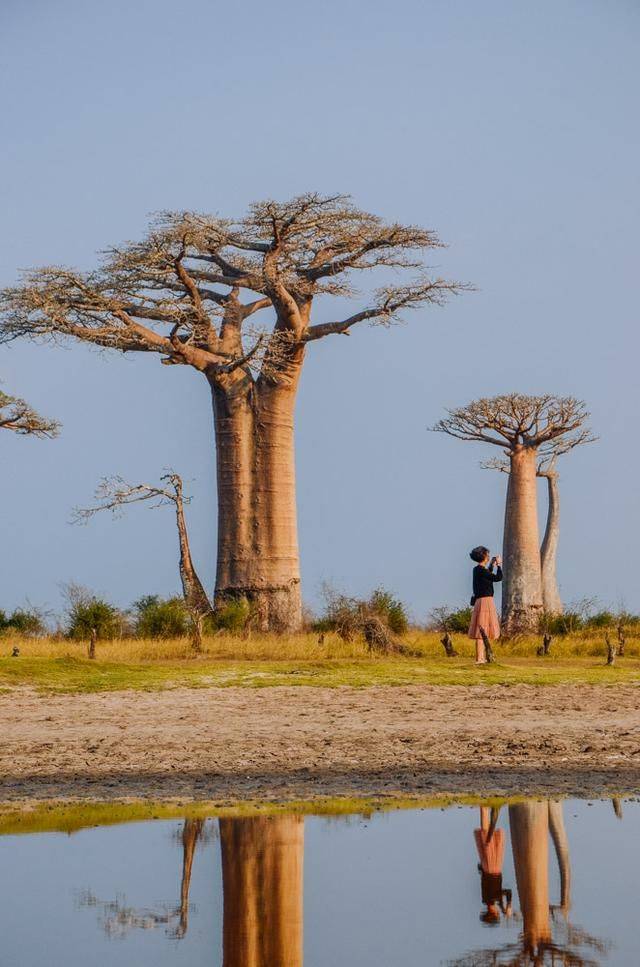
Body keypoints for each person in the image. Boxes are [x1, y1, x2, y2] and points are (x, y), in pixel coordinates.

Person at [474, 806, 512, 925]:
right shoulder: (486, 900)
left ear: (494, 913)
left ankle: (484, 809)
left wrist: (508, 906)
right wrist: (504, 909)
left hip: (494, 867)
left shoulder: (494, 899)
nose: (498, 912)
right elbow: (484, 883)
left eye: (497, 914)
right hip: (487, 868)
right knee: (485, 838)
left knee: (488, 839)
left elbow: (508, 892)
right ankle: (483, 810)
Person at [468, 546, 502, 664]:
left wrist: (492, 565)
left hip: (480, 601)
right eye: (487, 554)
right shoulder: (482, 571)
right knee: (481, 631)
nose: (488, 556)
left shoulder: (477, 570)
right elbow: (498, 578)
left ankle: (481, 658)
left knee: (481, 631)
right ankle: (479, 659)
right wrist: (499, 565)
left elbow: (487, 575)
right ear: (483, 556)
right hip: (485, 601)